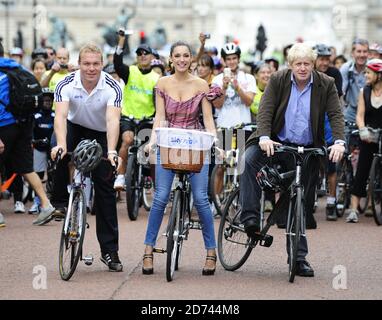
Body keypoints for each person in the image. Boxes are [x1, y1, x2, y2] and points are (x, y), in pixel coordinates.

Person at [240, 43, 345, 277]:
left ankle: (298, 259)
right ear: (290, 65)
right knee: (248, 160)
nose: (303, 68)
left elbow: (335, 114)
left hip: (305, 148)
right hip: (276, 142)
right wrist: (265, 137)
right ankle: (250, 220)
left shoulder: (325, 83)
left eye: (307, 63)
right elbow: (265, 109)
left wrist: (339, 141)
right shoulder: (278, 79)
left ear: (313, 64)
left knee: (301, 201)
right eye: (298, 63)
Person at [142, 41, 220, 276]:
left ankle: (211, 252)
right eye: (178, 55)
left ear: (191, 59)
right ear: (171, 59)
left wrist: (216, 142)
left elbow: (208, 119)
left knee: (201, 198)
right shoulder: (162, 83)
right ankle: (147, 250)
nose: (183, 59)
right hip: (167, 140)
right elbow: (159, 118)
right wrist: (152, 141)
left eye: (186, 55)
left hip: (196, 143)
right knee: (160, 197)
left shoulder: (201, 85)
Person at [51, 43, 123, 271]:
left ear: (102, 64)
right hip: (75, 127)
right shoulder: (66, 83)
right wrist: (61, 145)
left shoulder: (113, 85)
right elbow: (61, 117)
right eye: (86, 64)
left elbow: (113, 120)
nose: (91, 68)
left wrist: (112, 151)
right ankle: (61, 203)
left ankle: (110, 252)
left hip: (102, 132)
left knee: (105, 188)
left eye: (96, 64)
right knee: (60, 153)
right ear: (79, 64)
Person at [0, 41, 55, 226]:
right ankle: (46, 205)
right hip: (25, 122)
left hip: (5, 125)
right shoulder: (16, 67)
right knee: (26, 167)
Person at [113, 33, 159, 191]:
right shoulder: (130, 71)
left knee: (151, 151)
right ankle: (120, 175)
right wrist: (121, 41)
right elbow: (117, 63)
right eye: (139, 53)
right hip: (129, 117)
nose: (142, 56)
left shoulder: (157, 78)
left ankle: (154, 182)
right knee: (127, 141)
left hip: (148, 119)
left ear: (152, 57)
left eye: (146, 53)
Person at [345, 59, 382, 223]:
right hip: (369, 135)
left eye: (369, 72)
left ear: (379, 75)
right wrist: (362, 129)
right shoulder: (364, 91)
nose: (365, 75)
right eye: (365, 72)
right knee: (361, 170)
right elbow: (360, 115)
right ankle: (353, 209)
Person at [313, 44, 343, 222]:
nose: (324, 62)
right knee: (314, 163)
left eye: (326, 59)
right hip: (312, 121)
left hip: (329, 120)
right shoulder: (309, 73)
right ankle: (312, 197)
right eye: (321, 59)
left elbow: (336, 98)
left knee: (331, 165)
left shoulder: (335, 74)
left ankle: (331, 202)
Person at [29, 88, 55, 214]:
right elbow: (31, 130)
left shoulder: (55, 115)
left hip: (52, 149)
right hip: (38, 147)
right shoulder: (36, 116)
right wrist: (34, 141)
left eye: (49, 100)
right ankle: (36, 202)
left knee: (53, 174)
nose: (47, 102)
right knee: (37, 175)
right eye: (45, 100)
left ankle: (52, 200)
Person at [341, 39, 369, 123]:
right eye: (359, 51)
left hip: (370, 110)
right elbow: (340, 93)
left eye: (365, 51)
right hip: (352, 111)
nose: (362, 55)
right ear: (353, 53)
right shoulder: (346, 68)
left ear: (368, 53)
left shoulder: (373, 69)